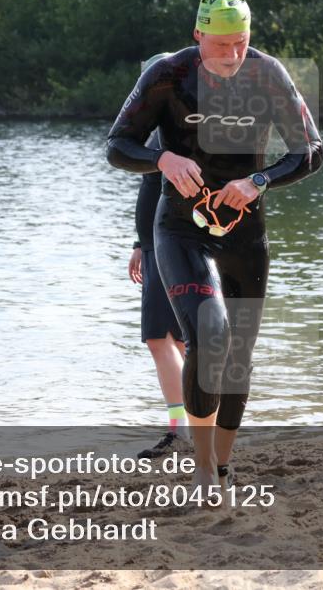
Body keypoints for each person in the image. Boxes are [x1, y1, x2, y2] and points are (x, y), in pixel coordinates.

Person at [106, 0, 323, 495]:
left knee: (239, 358)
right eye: (222, 44)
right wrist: (162, 158)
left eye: (242, 42)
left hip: (246, 232)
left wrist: (259, 181)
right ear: (198, 35)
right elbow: (118, 144)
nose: (233, 54)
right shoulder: (167, 75)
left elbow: (311, 151)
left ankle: (223, 466)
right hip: (181, 227)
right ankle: (202, 466)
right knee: (210, 336)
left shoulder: (267, 73)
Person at [129, 53, 190, 460]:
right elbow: (150, 192)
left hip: (167, 241)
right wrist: (138, 242)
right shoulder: (171, 131)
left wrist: (146, 243)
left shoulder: (168, 133)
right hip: (161, 242)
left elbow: (156, 192)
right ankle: (196, 423)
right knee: (182, 340)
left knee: (158, 338)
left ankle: (181, 428)